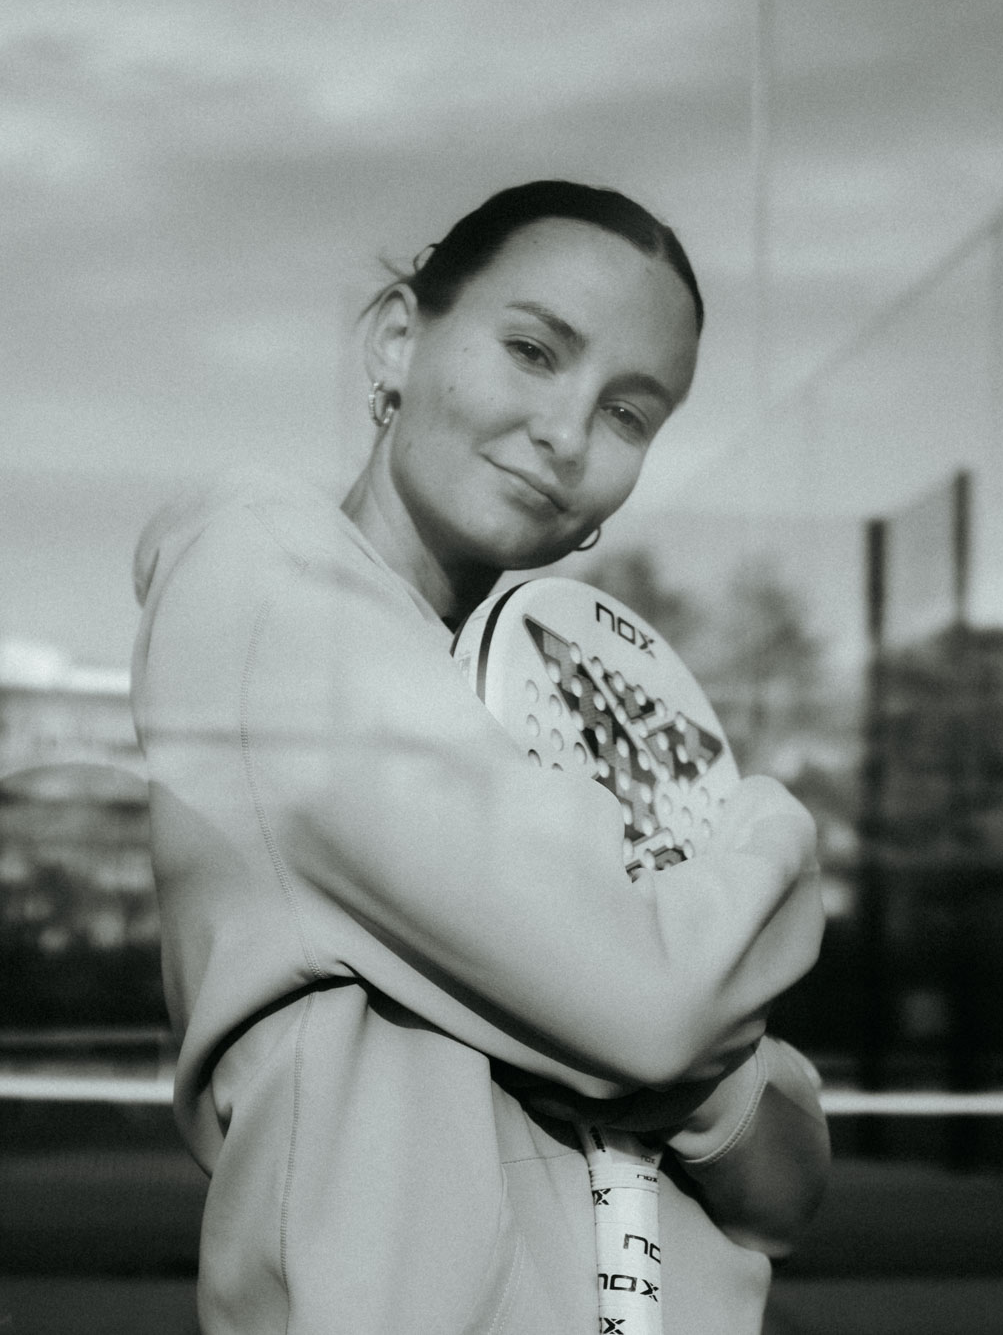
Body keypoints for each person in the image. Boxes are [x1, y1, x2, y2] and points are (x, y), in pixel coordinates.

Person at [131, 180, 829, 1335]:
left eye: (629, 414)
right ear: (397, 340)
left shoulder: (522, 722)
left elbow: (788, 1186)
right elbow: (656, 1007)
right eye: (533, 351)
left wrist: (679, 1033)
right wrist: (773, 834)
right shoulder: (259, 577)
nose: (567, 431)